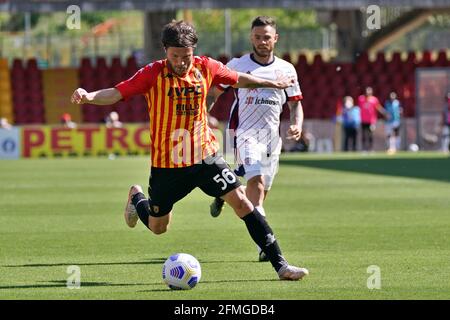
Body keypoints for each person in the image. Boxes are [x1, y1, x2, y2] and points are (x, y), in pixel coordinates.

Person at [70, 20, 308, 281]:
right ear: (165, 51)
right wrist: (89, 95)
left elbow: (238, 79)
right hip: (168, 165)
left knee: (242, 202)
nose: (182, 62)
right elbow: (117, 93)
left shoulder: (206, 66)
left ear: (194, 50)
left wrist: (272, 84)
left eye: (187, 56)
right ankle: (137, 198)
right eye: (175, 56)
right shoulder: (152, 74)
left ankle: (281, 265)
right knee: (158, 227)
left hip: (205, 156)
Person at [207, 16, 304, 262]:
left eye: (267, 37)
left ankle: (223, 192)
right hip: (245, 133)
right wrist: (202, 115)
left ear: (275, 39)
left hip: (272, 138)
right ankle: (266, 245)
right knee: (257, 185)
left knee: (260, 193)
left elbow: (295, 105)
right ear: (251, 38)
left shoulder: (286, 69)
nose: (262, 42)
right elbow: (215, 93)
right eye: (258, 37)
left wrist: (297, 123)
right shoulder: (237, 65)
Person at [357, 87, 385, 152]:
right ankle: (364, 148)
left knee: (370, 134)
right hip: (363, 120)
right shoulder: (361, 99)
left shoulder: (374, 99)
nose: (367, 93)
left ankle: (370, 148)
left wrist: (384, 112)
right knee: (363, 134)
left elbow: (378, 107)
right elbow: (358, 109)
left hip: (371, 121)